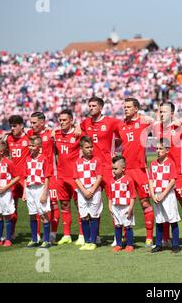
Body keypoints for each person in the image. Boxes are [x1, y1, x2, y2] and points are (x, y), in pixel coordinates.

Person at [151, 102, 182, 250]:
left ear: (172, 113)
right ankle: (165, 239)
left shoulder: (180, 126)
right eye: (160, 111)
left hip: (179, 173)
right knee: (162, 208)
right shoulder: (156, 127)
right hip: (161, 176)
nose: (161, 114)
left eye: (164, 112)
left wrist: (181, 124)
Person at [80, 97, 123, 245]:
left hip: (108, 168)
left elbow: (124, 134)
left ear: (101, 107)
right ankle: (95, 236)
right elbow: (78, 130)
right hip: (92, 170)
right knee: (93, 203)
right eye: (89, 105)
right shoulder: (86, 122)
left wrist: (114, 149)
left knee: (114, 202)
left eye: (94, 106)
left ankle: (119, 236)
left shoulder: (111, 122)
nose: (91, 108)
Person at [116, 98, 154, 247]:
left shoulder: (145, 122)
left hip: (140, 169)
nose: (125, 109)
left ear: (136, 108)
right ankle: (125, 236)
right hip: (125, 170)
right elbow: (117, 142)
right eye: (124, 107)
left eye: (129, 107)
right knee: (124, 204)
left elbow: (157, 124)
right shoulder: (121, 125)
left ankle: (149, 237)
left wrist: (150, 119)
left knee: (145, 202)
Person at [27, 112, 59, 243]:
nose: (32, 125)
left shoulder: (51, 134)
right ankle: (37, 236)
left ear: (42, 122)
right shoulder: (29, 134)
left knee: (53, 204)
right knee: (36, 206)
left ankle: (52, 233)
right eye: (31, 122)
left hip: (50, 174)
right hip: (35, 176)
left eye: (34, 123)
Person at [54, 110, 85, 246]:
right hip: (61, 176)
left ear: (71, 121)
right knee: (64, 204)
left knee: (80, 206)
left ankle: (82, 235)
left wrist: (79, 126)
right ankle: (66, 235)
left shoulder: (78, 134)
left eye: (64, 120)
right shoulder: (55, 134)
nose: (61, 122)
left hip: (75, 176)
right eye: (60, 120)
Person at [149, 139, 181, 253]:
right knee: (159, 220)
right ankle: (158, 244)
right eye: (157, 148)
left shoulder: (170, 163)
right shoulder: (153, 164)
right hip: (157, 195)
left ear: (167, 150)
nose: (158, 151)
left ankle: (176, 245)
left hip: (167, 195)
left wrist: (163, 194)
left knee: (172, 219)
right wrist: (152, 194)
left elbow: (172, 181)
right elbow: (151, 180)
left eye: (161, 149)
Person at [74, 136, 104, 251]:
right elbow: (76, 178)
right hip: (82, 192)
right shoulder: (77, 162)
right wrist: (84, 191)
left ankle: (93, 241)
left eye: (91, 147)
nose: (90, 149)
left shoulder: (97, 160)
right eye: (87, 147)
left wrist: (91, 190)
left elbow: (99, 176)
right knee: (84, 216)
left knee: (94, 215)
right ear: (81, 148)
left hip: (94, 192)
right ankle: (86, 241)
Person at [22, 136, 52, 248]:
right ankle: (34, 239)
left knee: (43, 214)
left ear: (39, 147)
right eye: (29, 145)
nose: (30, 147)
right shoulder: (27, 159)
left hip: (40, 188)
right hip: (30, 189)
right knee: (32, 214)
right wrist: (24, 192)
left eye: (33, 145)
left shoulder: (44, 158)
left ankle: (47, 240)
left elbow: (47, 176)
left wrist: (45, 192)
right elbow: (25, 177)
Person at [3, 115, 30, 240]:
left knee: (34, 207)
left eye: (15, 126)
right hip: (12, 179)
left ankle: (37, 235)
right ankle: (11, 234)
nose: (12, 128)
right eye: (11, 126)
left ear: (21, 126)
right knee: (12, 208)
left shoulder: (28, 138)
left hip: (25, 178)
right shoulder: (8, 138)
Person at [108, 155, 136, 253]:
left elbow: (133, 195)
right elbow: (110, 196)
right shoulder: (111, 181)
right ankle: (119, 244)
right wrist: (110, 206)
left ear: (123, 168)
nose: (114, 171)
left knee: (127, 226)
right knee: (117, 225)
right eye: (113, 168)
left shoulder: (128, 180)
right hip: (116, 207)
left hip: (126, 207)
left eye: (115, 168)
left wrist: (130, 208)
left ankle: (129, 244)